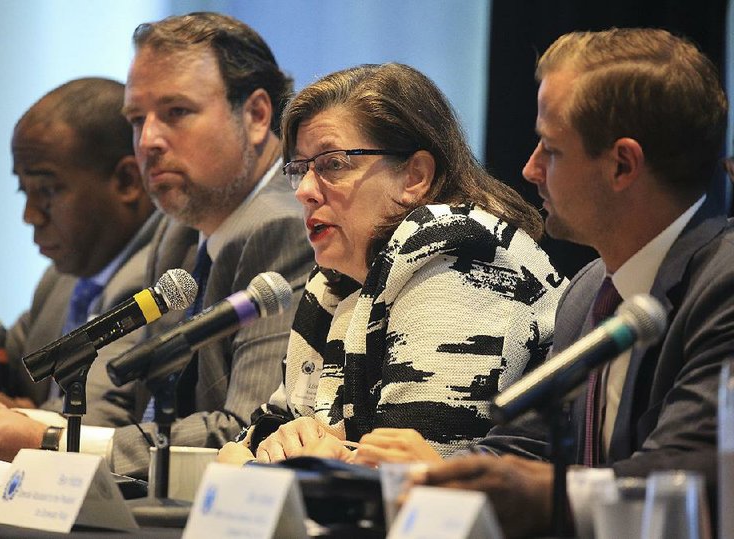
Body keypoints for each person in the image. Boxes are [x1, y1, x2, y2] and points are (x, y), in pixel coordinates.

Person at [0, 13, 314, 473]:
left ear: (255, 115)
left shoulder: (287, 227)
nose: (148, 140)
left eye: (176, 112)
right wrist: (27, 423)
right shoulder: (178, 231)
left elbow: (247, 431)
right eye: (137, 119)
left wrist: (47, 437)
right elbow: (118, 394)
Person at [411, 28, 732, 538]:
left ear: (622, 164)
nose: (529, 168)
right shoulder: (588, 291)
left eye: (551, 148)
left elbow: (689, 473)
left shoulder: (725, 285)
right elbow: (525, 449)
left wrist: (545, 493)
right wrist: (418, 476)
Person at [219, 62, 567, 465]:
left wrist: (261, 467)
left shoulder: (459, 251)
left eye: (333, 164)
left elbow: (417, 471)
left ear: (414, 176)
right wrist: (282, 440)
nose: (306, 192)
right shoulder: (338, 281)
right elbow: (268, 427)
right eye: (300, 169)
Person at [0, 77, 159, 429]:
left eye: (47, 190)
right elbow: (7, 358)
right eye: (24, 191)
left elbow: (96, 419)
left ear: (128, 181)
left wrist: (20, 418)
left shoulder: (157, 281)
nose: (30, 216)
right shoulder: (63, 276)